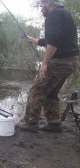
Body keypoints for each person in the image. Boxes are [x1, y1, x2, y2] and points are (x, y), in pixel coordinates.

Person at [19, 0, 79, 132]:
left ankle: (30, 123)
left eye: (41, 5)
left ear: (48, 3)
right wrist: (35, 40)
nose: (41, 9)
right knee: (51, 92)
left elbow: (53, 42)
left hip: (59, 62)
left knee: (37, 90)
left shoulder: (53, 15)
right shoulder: (65, 14)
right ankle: (54, 123)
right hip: (71, 62)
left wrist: (44, 63)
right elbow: (54, 39)